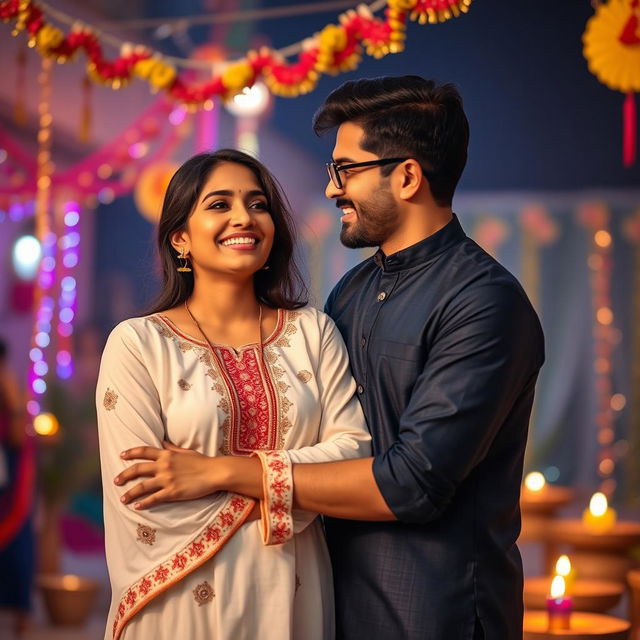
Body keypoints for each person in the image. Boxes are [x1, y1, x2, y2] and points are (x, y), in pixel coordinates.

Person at [121, 77, 545, 639]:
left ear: (408, 176)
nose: (330, 189)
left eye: (346, 170)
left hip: (432, 610)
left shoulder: (483, 303)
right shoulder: (353, 292)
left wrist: (220, 470)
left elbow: (414, 483)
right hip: (328, 603)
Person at [96, 149, 371, 640]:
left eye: (258, 204)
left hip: (294, 593)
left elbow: (354, 456)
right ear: (180, 237)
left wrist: (215, 471)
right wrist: (302, 484)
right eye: (219, 204)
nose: (244, 217)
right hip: (179, 602)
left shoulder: (314, 332)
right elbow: (139, 495)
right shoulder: (138, 344)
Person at [0, 338, 35, 638]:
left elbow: (18, 437)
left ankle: (21, 616)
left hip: (8, 481)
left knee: (17, 546)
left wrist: (13, 404)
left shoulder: (8, 386)